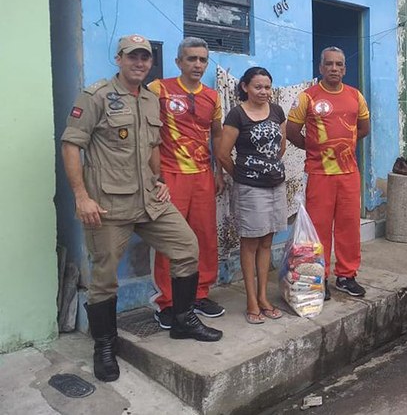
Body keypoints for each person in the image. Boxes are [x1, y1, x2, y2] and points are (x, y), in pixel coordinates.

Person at [61, 34, 222, 383]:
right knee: (104, 279)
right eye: (132, 56)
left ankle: (182, 319)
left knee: (187, 247)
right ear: (119, 59)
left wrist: (159, 178)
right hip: (108, 205)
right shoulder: (96, 96)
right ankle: (105, 345)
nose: (139, 63)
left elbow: (152, 145)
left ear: (151, 62)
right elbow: (71, 145)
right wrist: (81, 197)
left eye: (144, 58)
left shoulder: (150, 99)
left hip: (149, 199)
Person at [148, 37, 226, 330]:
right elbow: (148, 134)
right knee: (170, 239)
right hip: (170, 175)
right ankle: (167, 302)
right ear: (178, 62)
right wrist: (155, 176)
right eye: (191, 59)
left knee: (205, 236)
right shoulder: (159, 89)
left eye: (202, 59)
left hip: (203, 176)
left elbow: (216, 134)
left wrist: (219, 171)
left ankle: (200, 294)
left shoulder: (212, 97)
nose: (197, 64)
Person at [287, 47, 370, 299]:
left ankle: (346, 276)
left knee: (349, 227)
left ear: (344, 69)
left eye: (339, 64)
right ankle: (318, 278)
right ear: (321, 67)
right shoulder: (307, 97)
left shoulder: (356, 96)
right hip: (318, 174)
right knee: (318, 228)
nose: (334, 68)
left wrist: (342, 147)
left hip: (348, 174)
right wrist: (314, 148)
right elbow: (292, 132)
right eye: (329, 64)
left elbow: (364, 129)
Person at [217, 67, 287, 324]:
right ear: (245, 87)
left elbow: (281, 145)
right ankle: (251, 301)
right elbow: (223, 153)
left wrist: (269, 168)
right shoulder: (237, 114)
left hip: (276, 185)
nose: (263, 92)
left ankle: (263, 297)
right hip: (250, 189)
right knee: (250, 244)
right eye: (258, 87)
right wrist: (243, 174)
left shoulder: (277, 111)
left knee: (267, 242)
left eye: (267, 87)